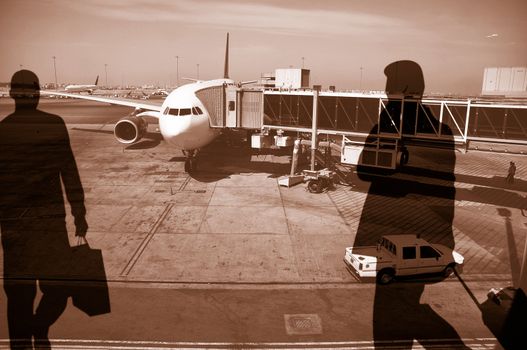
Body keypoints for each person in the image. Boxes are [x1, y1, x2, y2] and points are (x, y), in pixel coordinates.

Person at [354, 61, 467, 349]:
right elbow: (445, 188)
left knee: (389, 317)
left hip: (394, 238)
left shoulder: (390, 130)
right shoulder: (443, 131)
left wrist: (385, 128)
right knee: (404, 306)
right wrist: (444, 240)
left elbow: (365, 171)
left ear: (401, 90)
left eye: (390, 86)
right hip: (424, 238)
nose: (386, 92)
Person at [0, 70, 88, 349]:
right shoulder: (54, 124)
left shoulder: (3, 130)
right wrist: (79, 213)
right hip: (50, 225)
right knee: (59, 288)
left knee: (18, 296)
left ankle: (23, 341)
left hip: (13, 228)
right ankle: (40, 327)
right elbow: (69, 172)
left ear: (12, 93)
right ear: (39, 93)